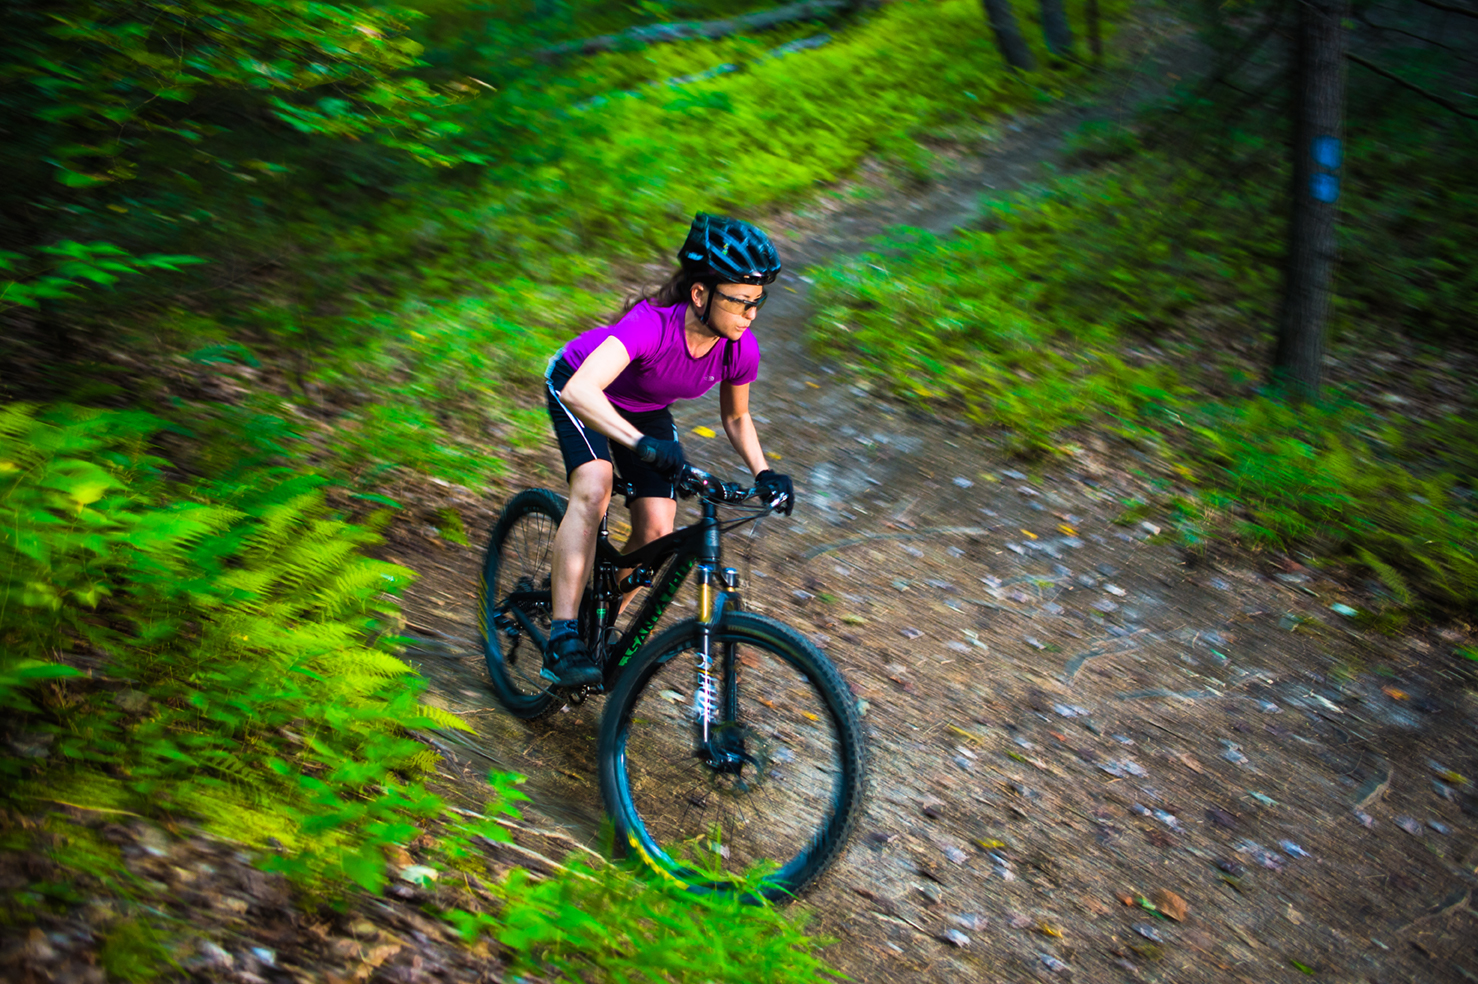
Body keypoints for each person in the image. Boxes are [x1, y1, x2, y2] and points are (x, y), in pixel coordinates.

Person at [539, 213, 796, 687]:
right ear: (700, 294)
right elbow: (581, 392)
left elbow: (736, 417)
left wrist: (765, 473)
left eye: (757, 302)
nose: (751, 314)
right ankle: (562, 634)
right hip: (581, 384)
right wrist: (639, 444)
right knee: (595, 486)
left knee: (658, 528)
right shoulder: (651, 327)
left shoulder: (738, 347)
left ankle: (600, 609)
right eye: (740, 301)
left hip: (643, 406)